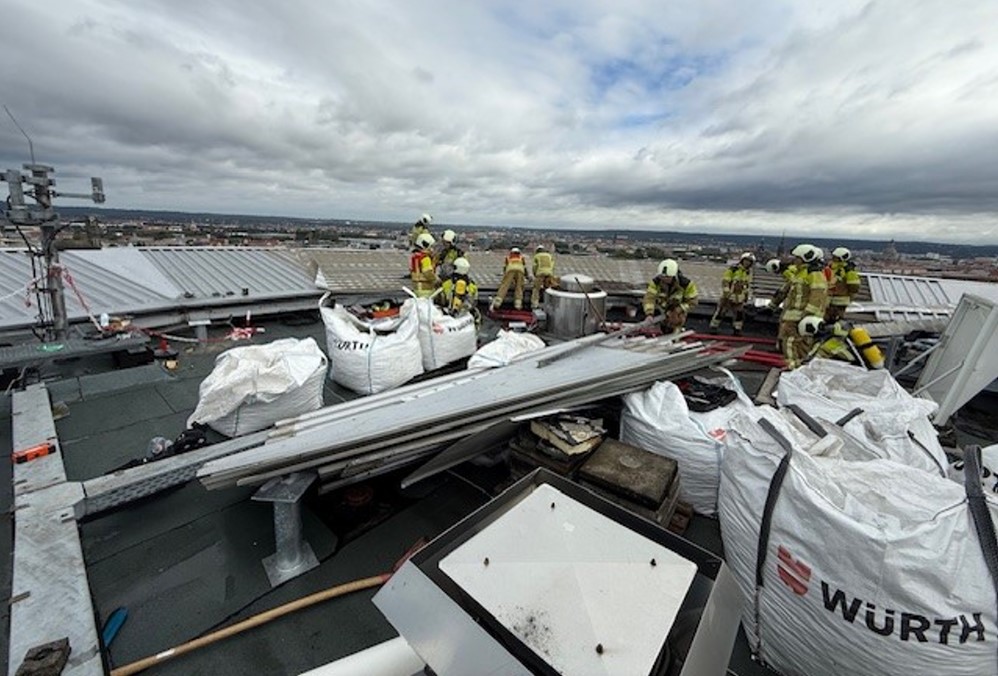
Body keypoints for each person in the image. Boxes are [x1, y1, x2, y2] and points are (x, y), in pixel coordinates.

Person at [768, 244, 828, 369]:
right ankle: (797, 366)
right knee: (795, 343)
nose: (794, 260)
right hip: (793, 314)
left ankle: (792, 367)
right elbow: (786, 290)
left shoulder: (814, 274)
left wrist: (807, 316)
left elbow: (817, 297)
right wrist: (772, 305)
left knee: (792, 342)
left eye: (797, 258)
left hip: (801, 315)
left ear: (804, 258)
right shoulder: (800, 273)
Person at [642, 259, 698, 333]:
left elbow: (693, 302)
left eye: (668, 277)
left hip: (677, 315)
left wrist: (678, 310)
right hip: (661, 312)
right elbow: (649, 298)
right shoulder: (656, 283)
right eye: (662, 277)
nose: (664, 279)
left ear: (674, 276)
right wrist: (649, 314)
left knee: (675, 331)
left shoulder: (686, 285)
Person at [710, 252, 755, 335]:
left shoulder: (747, 272)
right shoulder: (733, 269)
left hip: (739, 297)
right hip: (729, 296)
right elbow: (725, 281)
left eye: (749, 261)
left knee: (739, 314)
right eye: (746, 260)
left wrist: (746, 296)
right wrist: (727, 293)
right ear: (742, 260)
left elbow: (746, 285)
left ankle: (737, 329)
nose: (747, 263)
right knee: (721, 312)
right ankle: (714, 327)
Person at [440, 257, 481, 327]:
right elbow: (475, 301)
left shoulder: (447, 283)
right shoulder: (472, 285)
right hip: (467, 314)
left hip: (449, 314)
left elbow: (442, 300)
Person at [825, 247, 861, 323]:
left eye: (836, 257)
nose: (833, 259)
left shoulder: (848, 271)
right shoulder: (831, 267)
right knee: (828, 319)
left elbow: (854, 287)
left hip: (840, 300)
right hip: (830, 299)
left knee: (835, 320)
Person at [492, 246, 528, 310]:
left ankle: (498, 302)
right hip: (520, 270)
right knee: (519, 286)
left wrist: (505, 277)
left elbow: (505, 268)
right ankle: (518, 304)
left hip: (510, 270)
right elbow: (524, 268)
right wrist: (526, 276)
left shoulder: (508, 257)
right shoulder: (521, 258)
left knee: (505, 285)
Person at [409, 232, 438, 297]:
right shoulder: (425, 258)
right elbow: (428, 273)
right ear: (425, 245)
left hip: (417, 288)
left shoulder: (415, 256)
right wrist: (436, 281)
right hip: (426, 289)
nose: (431, 249)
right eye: (430, 246)